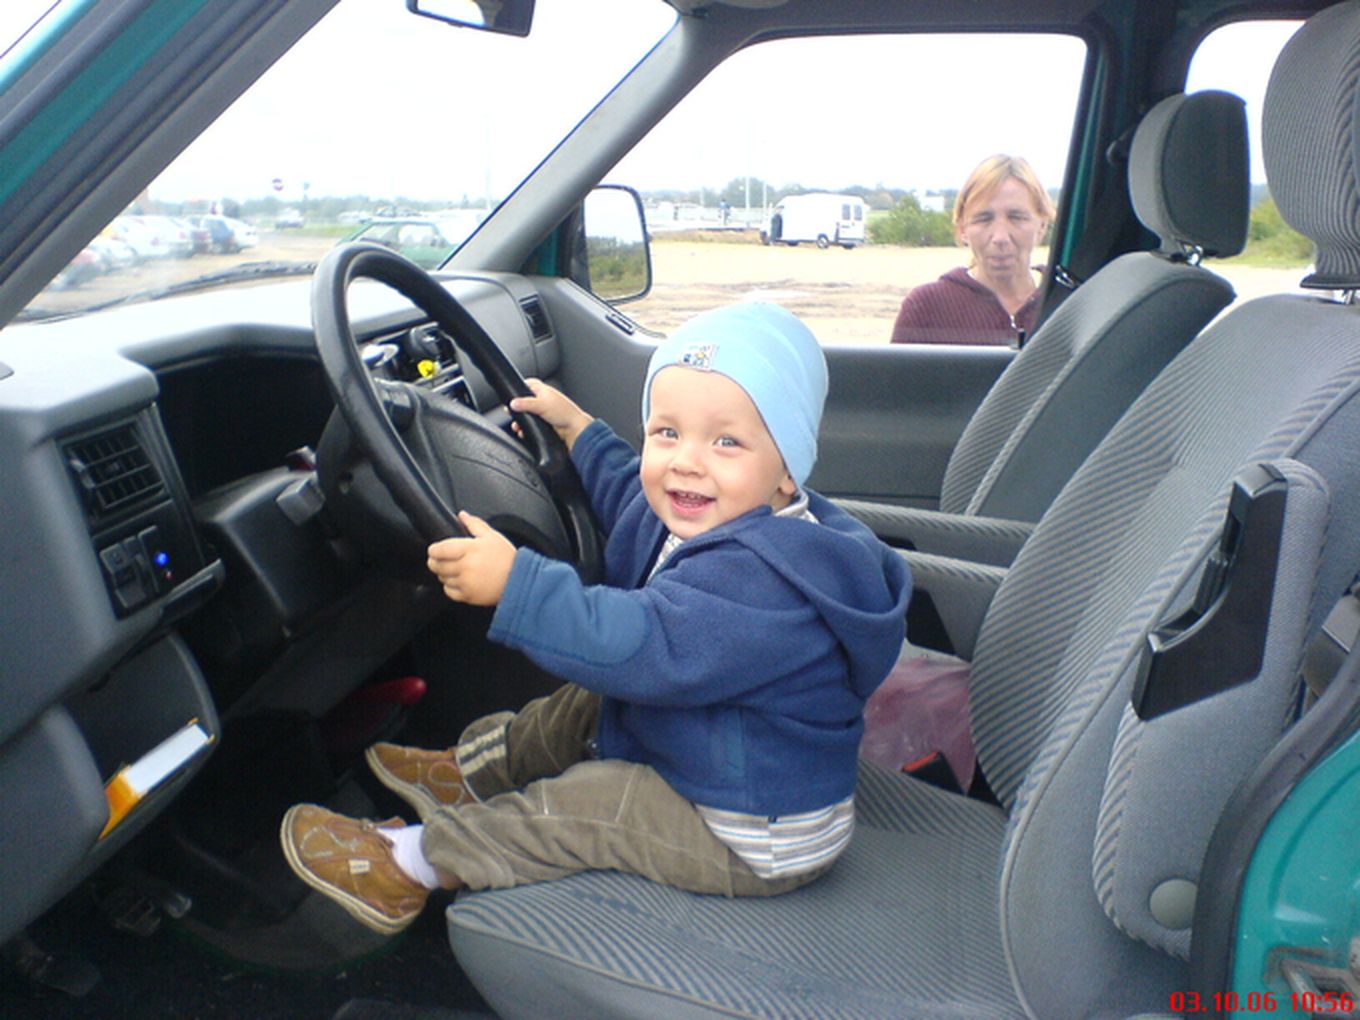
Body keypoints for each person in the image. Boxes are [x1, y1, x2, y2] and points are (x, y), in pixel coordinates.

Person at [279, 303, 912, 935]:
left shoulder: (767, 582)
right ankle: (470, 773)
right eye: (666, 433)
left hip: (748, 829)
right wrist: (579, 432)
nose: (686, 462)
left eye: (726, 442)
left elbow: (638, 642)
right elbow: (631, 495)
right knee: (581, 705)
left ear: (788, 472)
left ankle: (410, 865)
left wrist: (517, 585)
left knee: (587, 805)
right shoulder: (720, 508)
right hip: (718, 750)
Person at [890, 154, 1055, 346]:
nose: (1000, 237)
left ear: (1042, 225)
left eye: (1016, 217)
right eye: (984, 219)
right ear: (962, 229)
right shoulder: (926, 308)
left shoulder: (1069, 304)